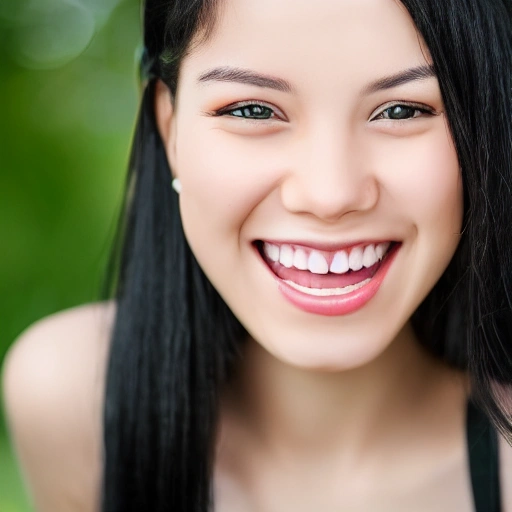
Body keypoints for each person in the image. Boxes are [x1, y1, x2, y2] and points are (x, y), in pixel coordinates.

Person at [3, 0, 512, 510]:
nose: (329, 195)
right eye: (252, 110)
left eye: (402, 110)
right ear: (170, 130)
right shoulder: (77, 403)